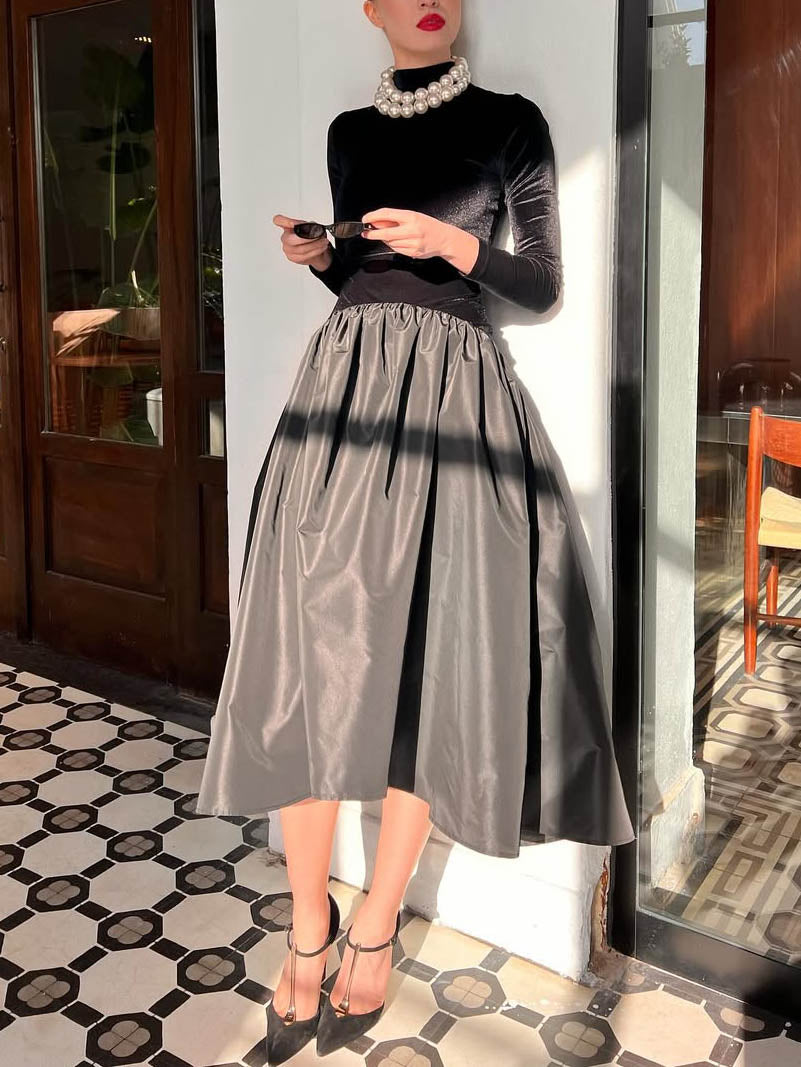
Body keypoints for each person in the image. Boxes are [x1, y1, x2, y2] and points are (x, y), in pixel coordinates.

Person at [195, 0, 634, 1060]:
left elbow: (541, 283)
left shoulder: (510, 121)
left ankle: (377, 922)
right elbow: (361, 277)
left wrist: (453, 242)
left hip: (455, 402)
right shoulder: (350, 133)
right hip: (342, 395)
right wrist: (319, 256)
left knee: (426, 666)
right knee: (306, 662)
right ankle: (308, 922)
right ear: (372, 9)